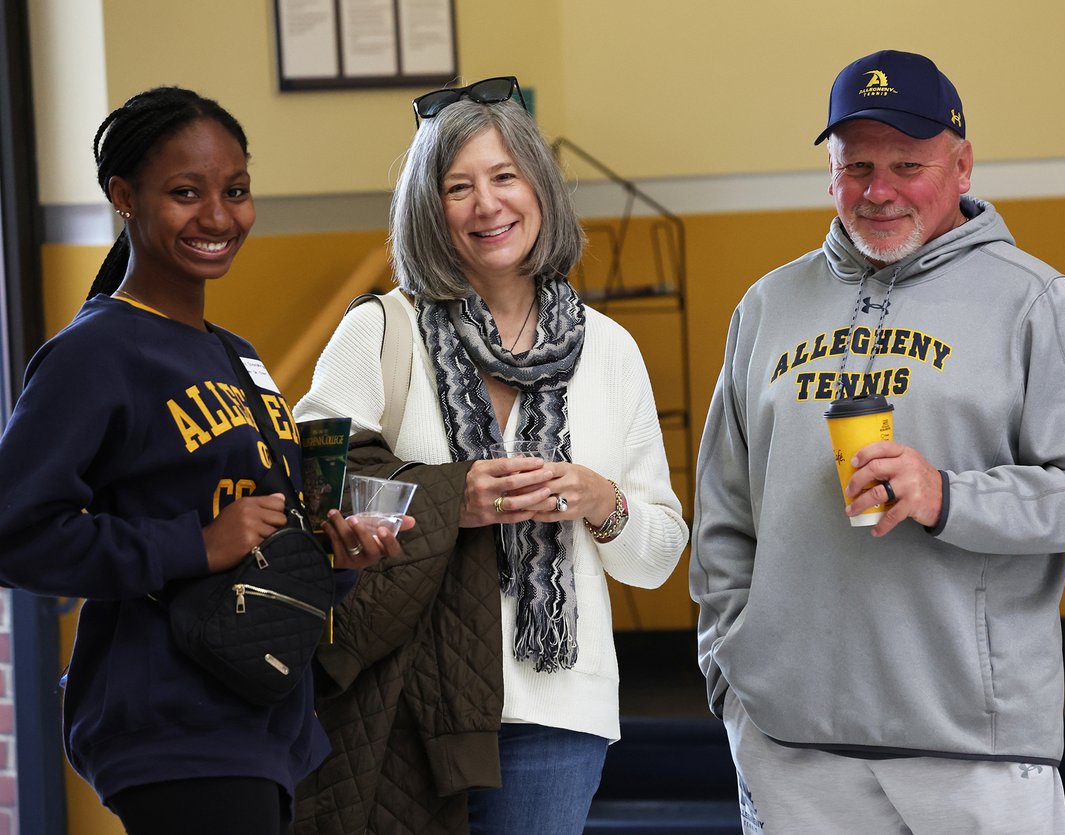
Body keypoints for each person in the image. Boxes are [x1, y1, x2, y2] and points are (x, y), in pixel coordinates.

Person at [690, 50, 1065, 833]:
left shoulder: (1031, 300)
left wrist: (951, 496)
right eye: (856, 165)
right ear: (829, 174)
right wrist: (737, 674)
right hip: (792, 745)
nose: (879, 190)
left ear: (963, 164)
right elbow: (724, 511)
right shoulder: (767, 306)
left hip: (975, 750)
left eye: (908, 163)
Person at [0, 86, 405, 835]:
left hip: (265, 717)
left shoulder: (235, 355)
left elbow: (265, 535)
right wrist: (195, 541)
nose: (218, 216)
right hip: (173, 723)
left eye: (236, 191)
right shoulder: (94, 354)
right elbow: (17, 533)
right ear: (124, 196)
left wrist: (336, 554)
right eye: (186, 193)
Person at [290, 75, 689, 835]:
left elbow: (657, 555)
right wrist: (449, 499)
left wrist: (603, 502)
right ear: (428, 208)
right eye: (458, 186)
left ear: (539, 187)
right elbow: (318, 484)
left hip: (557, 713)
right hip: (404, 698)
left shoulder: (608, 349)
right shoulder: (380, 330)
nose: (487, 204)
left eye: (505, 176)